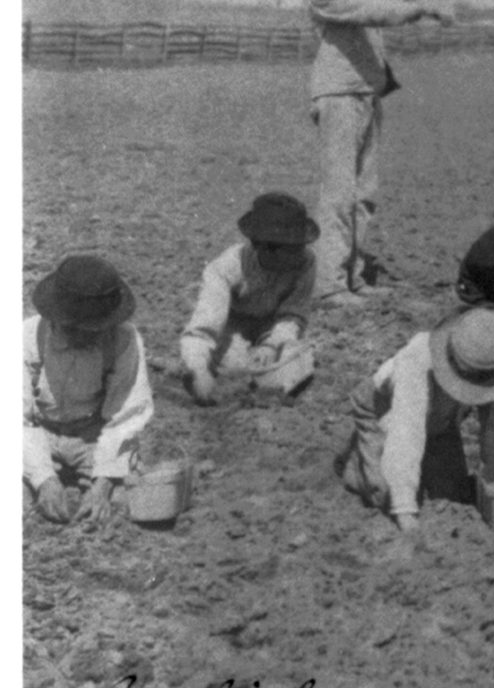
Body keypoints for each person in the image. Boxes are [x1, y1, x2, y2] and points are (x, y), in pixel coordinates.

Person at [305, 0, 452, 300]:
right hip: (339, 96)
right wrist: (420, 7)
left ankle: (352, 278)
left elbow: (375, 7)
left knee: (364, 192)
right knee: (340, 193)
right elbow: (377, 11)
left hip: (365, 95)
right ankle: (329, 285)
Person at [338, 308, 494, 532]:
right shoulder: (417, 360)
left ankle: (427, 459)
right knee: (385, 496)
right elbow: (406, 430)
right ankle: (356, 465)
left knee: (453, 494)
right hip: (384, 410)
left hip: (441, 421)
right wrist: (404, 511)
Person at [24, 256, 155, 526]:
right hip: (38, 433)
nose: (86, 336)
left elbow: (126, 416)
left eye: (96, 329)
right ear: (57, 317)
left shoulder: (124, 339)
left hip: (92, 436)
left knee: (124, 502)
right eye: (76, 329)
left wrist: (102, 486)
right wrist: (44, 480)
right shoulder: (27, 336)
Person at [180, 191, 320, 403]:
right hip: (233, 324)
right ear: (262, 246)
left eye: (299, 245)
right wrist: (198, 368)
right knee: (236, 367)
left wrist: (271, 344)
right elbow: (203, 327)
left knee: (294, 359)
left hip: (273, 324)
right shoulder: (227, 266)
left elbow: (294, 313)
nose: (298, 254)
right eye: (290, 248)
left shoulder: (306, 261)